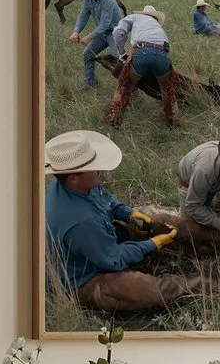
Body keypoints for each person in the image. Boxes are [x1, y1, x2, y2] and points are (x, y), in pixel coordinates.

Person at [43, 129, 187, 315]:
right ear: (73, 178)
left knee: (158, 221)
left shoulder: (72, 182)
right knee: (145, 289)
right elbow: (114, 259)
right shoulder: (81, 222)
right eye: (93, 168)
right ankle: (214, 284)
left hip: (97, 246)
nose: (99, 170)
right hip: (80, 280)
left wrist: (129, 214)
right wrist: (152, 244)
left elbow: (105, 198)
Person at [105, 3, 180, 126]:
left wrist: (122, 54)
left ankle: (115, 120)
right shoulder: (159, 28)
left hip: (141, 51)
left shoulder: (134, 17)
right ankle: (173, 122)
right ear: (155, 18)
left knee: (124, 86)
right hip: (162, 54)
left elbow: (117, 32)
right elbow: (167, 51)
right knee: (167, 91)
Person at [68, 0, 124, 88]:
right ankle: (90, 85)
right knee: (88, 55)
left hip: (116, 34)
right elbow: (83, 15)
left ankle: (133, 91)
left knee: (118, 61)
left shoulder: (108, 1)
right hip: (103, 33)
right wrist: (76, 31)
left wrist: (89, 37)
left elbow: (105, 24)